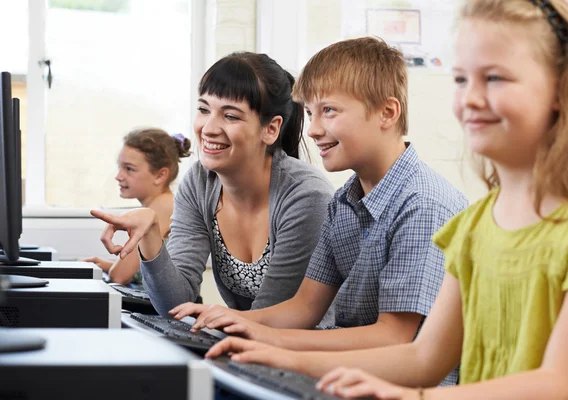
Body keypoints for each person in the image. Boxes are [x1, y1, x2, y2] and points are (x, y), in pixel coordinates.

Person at [207, 0, 568, 398]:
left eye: (495, 78)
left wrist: (413, 397)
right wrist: (277, 355)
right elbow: (423, 356)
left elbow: (555, 382)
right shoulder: (474, 227)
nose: (471, 99)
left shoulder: (429, 206)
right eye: (462, 80)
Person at [178, 37, 468, 384]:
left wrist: (275, 344)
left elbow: (394, 336)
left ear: (387, 113)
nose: (313, 129)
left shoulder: (421, 205)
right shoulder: (345, 200)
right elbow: (304, 307)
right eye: (311, 113)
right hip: (353, 379)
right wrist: (226, 319)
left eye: (328, 111)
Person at [91, 52, 334, 315]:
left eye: (230, 116)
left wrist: (213, 318)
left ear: (271, 129)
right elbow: (173, 304)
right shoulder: (199, 183)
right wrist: (150, 235)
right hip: (245, 344)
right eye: (204, 110)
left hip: (307, 348)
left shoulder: (306, 195)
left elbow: (274, 313)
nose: (208, 128)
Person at [84, 128, 190, 286]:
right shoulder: (161, 203)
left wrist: (114, 270)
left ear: (160, 175)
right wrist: (105, 266)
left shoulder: (164, 205)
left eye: (129, 169)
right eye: (119, 167)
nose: (118, 176)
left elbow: (119, 276)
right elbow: (145, 270)